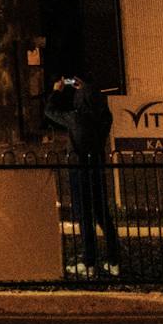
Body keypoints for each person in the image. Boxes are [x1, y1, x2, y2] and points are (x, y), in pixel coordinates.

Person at [44, 75, 121, 277]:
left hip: (79, 169)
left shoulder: (76, 117)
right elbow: (97, 103)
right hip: (96, 166)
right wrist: (86, 89)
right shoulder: (104, 117)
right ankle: (114, 261)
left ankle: (89, 261)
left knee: (84, 216)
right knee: (103, 215)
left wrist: (57, 91)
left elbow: (49, 111)